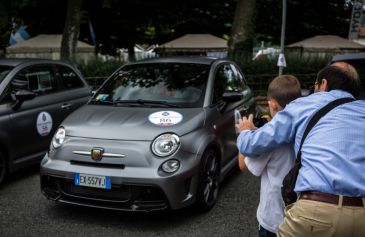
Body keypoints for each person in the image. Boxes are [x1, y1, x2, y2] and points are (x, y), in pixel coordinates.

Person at [236, 62, 365, 237]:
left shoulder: (306, 104)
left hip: (316, 212)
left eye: (315, 85)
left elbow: (251, 145)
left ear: (324, 84)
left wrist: (244, 132)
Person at [238, 75, 302, 237]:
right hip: (300, 217)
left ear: (271, 104)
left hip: (274, 219)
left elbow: (244, 166)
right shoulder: (304, 126)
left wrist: (244, 134)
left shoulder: (268, 139)